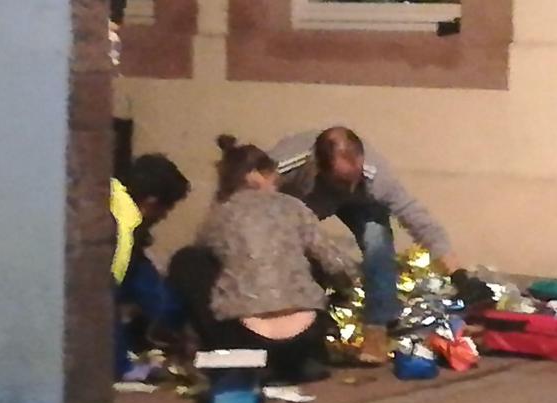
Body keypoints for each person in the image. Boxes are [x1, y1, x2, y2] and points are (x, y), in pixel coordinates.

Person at [269, 127, 493, 364]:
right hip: (302, 203)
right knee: (293, 251)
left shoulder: (375, 176)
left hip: (364, 203)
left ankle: (376, 329)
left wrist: (458, 274)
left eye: (354, 178)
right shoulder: (289, 162)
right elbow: (246, 195)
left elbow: (417, 219)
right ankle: (294, 324)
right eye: (342, 181)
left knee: (378, 244)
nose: (350, 187)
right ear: (318, 167)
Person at [193, 135, 359, 383]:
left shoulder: (219, 215)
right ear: (258, 174)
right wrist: (349, 289)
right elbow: (334, 262)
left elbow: (203, 252)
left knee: (188, 262)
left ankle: (213, 350)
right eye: (275, 177)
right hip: (305, 330)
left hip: (245, 332)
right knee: (311, 260)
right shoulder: (294, 207)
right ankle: (303, 359)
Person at [111, 154, 191, 380]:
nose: (164, 217)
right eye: (166, 209)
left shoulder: (110, 196)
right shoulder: (123, 229)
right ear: (151, 202)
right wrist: (121, 367)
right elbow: (102, 298)